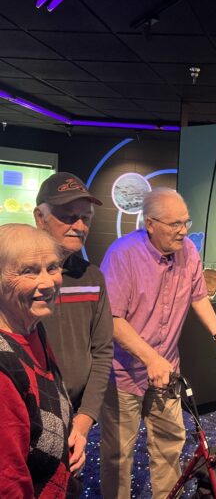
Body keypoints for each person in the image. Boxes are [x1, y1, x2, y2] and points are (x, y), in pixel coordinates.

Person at [99, 187, 216, 498]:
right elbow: (112, 319)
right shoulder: (122, 254)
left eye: (186, 223)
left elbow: (198, 297)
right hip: (124, 374)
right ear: (150, 223)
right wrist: (150, 358)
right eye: (175, 224)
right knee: (118, 456)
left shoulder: (188, 252)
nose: (183, 231)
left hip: (167, 371)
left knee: (169, 446)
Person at [33, 172, 114, 475]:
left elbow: (103, 351)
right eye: (68, 216)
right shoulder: (15, 277)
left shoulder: (93, 278)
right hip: (25, 417)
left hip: (74, 419)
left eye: (85, 217)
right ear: (40, 217)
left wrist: (84, 420)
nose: (79, 226)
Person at [0, 224, 72, 497]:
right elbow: (8, 484)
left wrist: (70, 433)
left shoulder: (31, 326)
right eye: (29, 271)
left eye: (52, 268)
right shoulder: (3, 367)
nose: (48, 282)